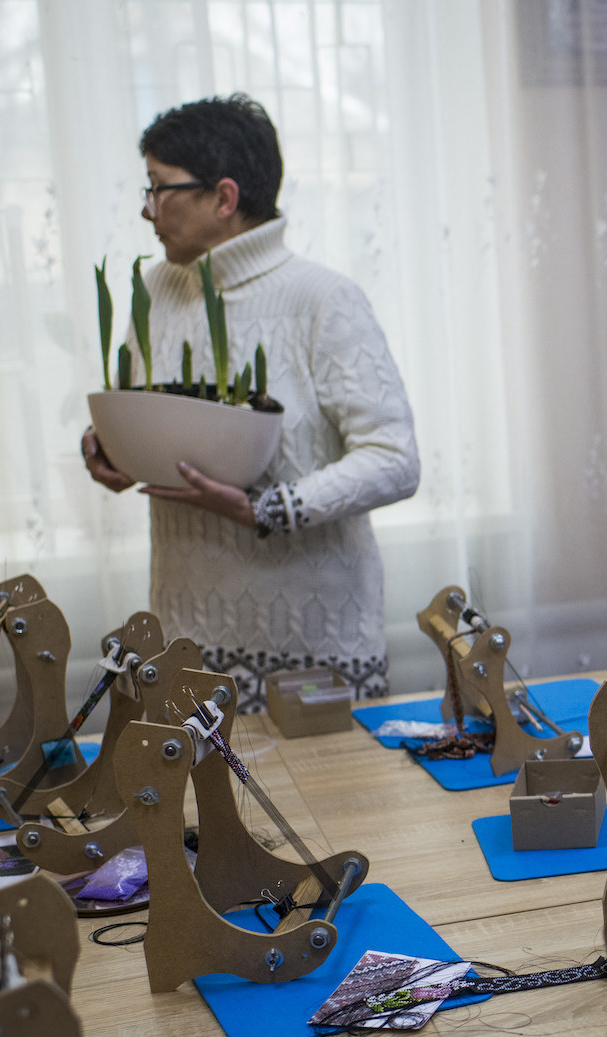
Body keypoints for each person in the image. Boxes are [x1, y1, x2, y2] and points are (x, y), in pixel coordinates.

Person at [81, 93, 418, 711]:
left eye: (159, 189)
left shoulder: (323, 299)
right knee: (204, 808)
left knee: (325, 810)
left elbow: (395, 459)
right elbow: (152, 417)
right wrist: (110, 446)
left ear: (224, 197)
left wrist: (269, 509)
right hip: (188, 638)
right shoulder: (151, 292)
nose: (147, 211)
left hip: (317, 642)